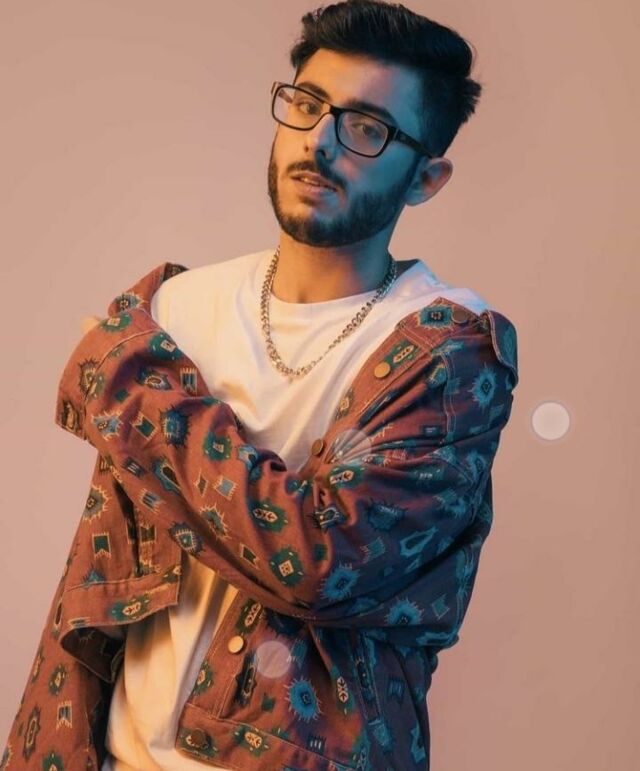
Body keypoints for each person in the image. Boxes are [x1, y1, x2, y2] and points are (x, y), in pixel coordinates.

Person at [1, 2, 519, 769]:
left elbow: (320, 561)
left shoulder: (448, 353)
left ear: (426, 179)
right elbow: (98, 573)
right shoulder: (176, 308)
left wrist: (136, 393)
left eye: (368, 127)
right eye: (307, 104)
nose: (319, 142)